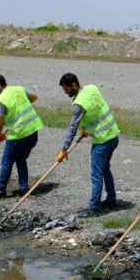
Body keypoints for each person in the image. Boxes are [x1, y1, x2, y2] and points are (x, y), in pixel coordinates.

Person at [56, 73, 120, 218]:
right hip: (113, 135)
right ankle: (111, 199)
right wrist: (86, 130)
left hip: (102, 140)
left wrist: (64, 149)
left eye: (66, 89)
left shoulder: (79, 103)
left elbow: (73, 127)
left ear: (74, 85)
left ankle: (94, 207)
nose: (65, 92)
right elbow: (96, 110)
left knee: (96, 174)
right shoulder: (91, 88)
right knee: (105, 169)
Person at [0, 73, 44, 199]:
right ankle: (23, 188)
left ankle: (1, 190)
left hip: (18, 135)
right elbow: (34, 97)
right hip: (33, 131)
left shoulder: (1, 100)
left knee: (7, 162)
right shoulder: (18, 89)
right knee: (21, 159)